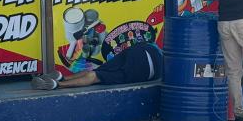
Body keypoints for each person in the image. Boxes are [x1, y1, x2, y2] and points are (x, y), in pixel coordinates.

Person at [32, 42, 162, 89]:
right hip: (148, 72)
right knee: (98, 76)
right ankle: (58, 84)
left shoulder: (159, 48)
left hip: (141, 51)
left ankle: (63, 78)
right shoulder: (172, 65)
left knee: (99, 69)